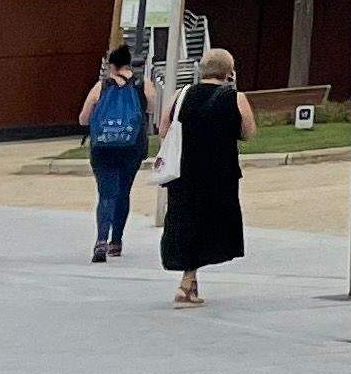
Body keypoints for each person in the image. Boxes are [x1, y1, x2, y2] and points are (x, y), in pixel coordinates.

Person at [159, 47, 253, 306]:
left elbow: (163, 128)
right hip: (219, 173)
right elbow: (248, 131)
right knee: (210, 225)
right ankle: (187, 283)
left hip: (183, 171)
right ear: (229, 72)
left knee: (186, 221)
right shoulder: (235, 98)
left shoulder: (181, 95)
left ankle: (190, 283)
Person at [76, 45, 153, 262]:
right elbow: (151, 109)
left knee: (106, 194)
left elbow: (83, 119)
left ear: (111, 65)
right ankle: (116, 242)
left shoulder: (101, 86)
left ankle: (101, 240)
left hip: (103, 148)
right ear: (130, 62)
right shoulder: (143, 84)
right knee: (123, 192)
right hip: (132, 146)